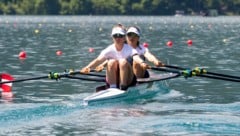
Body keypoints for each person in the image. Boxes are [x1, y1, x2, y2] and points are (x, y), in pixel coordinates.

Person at [80, 24, 148, 90]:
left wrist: (142, 63)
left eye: (120, 36)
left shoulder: (129, 48)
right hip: (114, 78)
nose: (118, 38)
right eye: (115, 36)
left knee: (122, 61)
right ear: (112, 37)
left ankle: (123, 86)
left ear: (124, 37)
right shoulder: (109, 49)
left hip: (128, 80)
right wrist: (87, 67)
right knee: (111, 62)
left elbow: (136, 57)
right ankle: (113, 88)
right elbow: (98, 60)